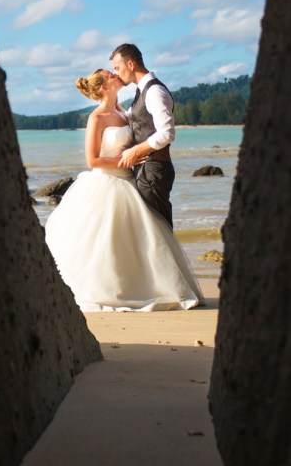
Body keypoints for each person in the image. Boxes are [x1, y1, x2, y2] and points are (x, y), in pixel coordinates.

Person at [45, 68, 203, 312]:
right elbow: (92, 161)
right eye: (111, 75)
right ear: (103, 88)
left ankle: (144, 286)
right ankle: (108, 290)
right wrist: (127, 160)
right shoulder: (96, 118)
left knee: (139, 240)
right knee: (102, 242)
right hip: (105, 183)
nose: (116, 76)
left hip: (129, 181)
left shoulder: (123, 111)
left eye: (114, 71)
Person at [109, 42, 177, 228]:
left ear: (131, 64)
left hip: (154, 170)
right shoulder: (141, 91)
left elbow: (167, 132)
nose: (116, 73)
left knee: (159, 230)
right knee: (152, 232)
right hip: (147, 170)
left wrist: (135, 151)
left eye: (117, 68)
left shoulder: (154, 91)